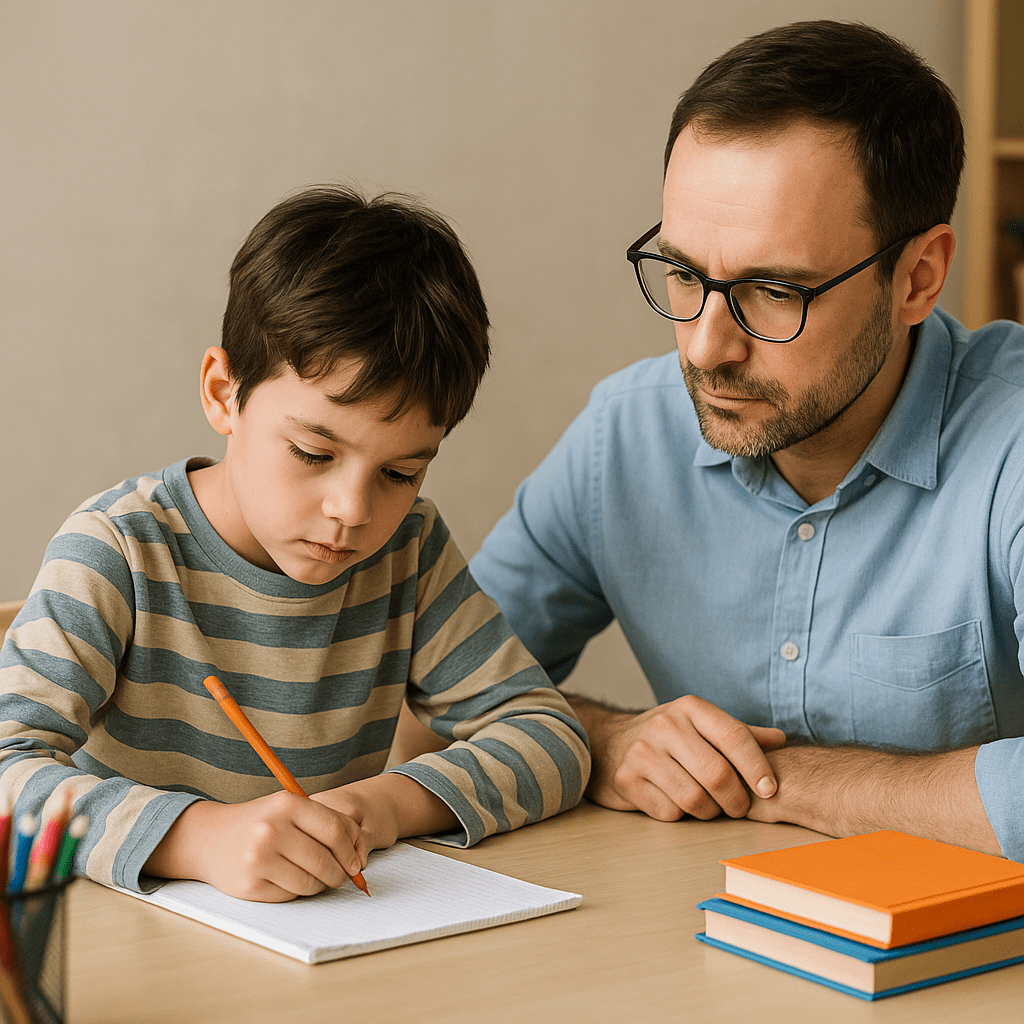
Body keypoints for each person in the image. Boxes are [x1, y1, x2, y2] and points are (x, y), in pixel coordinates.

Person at [465, 21, 1024, 861]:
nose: (704, 348)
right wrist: (606, 743)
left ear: (917, 277)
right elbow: (422, 702)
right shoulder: (624, 438)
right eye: (685, 275)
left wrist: (791, 783)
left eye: (772, 291)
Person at [0, 186, 589, 902]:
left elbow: (547, 735)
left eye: (401, 472)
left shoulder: (408, 551)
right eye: (313, 453)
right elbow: (7, 771)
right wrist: (199, 838)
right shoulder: (119, 552)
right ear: (223, 393)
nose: (352, 512)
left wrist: (380, 807)